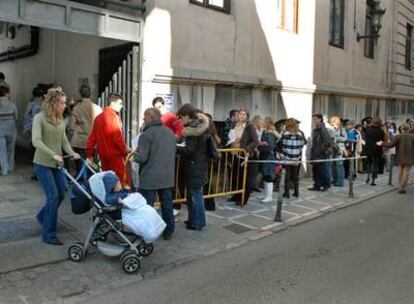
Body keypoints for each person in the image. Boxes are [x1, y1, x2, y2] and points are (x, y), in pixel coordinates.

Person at [32, 87, 81, 245]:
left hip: (57, 164)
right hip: (42, 164)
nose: (66, 105)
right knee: (53, 196)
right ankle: (48, 234)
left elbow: (64, 141)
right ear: (54, 103)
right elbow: (36, 141)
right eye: (63, 103)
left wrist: (71, 152)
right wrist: (52, 154)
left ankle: (43, 216)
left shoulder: (60, 120)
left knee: (61, 194)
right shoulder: (39, 118)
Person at [134, 107, 176, 240]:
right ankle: (169, 230)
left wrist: (135, 153)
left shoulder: (146, 134)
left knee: (147, 208)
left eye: (145, 117)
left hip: (150, 177)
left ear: (152, 118)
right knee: (167, 205)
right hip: (167, 176)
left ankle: (148, 232)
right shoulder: (169, 132)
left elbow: (142, 158)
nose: (143, 119)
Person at [176, 103, 210, 230]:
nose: (180, 120)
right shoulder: (199, 126)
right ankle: (193, 220)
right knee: (194, 195)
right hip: (199, 165)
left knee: (195, 195)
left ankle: (197, 223)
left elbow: (190, 150)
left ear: (187, 116)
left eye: (181, 117)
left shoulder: (193, 130)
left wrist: (176, 147)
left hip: (194, 166)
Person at [86, 93, 128, 185]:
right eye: (120, 103)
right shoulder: (114, 117)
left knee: (108, 182)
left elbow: (92, 138)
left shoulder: (98, 118)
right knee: (120, 182)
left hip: (103, 156)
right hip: (115, 156)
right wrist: (125, 152)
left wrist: (89, 154)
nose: (121, 106)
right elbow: (118, 138)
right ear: (112, 103)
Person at [69, 84, 102, 173]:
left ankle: (81, 182)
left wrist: (71, 138)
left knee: (79, 165)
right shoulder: (98, 108)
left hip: (79, 140)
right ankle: (91, 182)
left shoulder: (76, 108)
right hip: (93, 141)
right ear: (90, 93)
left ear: (80, 93)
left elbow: (72, 126)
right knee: (92, 165)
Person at [229, 109, 259, 205]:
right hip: (235, 154)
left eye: (243, 114)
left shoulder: (250, 127)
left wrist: (246, 149)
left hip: (245, 156)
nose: (241, 116)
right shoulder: (234, 125)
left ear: (247, 116)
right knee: (235, 176)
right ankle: (235, 195)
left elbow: (255, 141)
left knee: (244, 178)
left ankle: (243, 198)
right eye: (240, 114)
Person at [378, 124, 414, 194]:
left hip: (400, 156)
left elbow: (390, 145)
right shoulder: (412, 137)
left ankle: (400, 185)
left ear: (401, 129)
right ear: (408, 129)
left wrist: (382, 143)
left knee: (400, 171)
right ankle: (402, 187)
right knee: (406, 172)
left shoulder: (398, 136)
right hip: (410, 156)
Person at [278, 118, 307, 198]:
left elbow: (280, 144)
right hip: (296, 157)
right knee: (295, 175)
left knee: (287, 175)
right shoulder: (300, 134)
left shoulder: (284, 133)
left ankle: (287, 193)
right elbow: (303, 143)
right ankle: (296, 192)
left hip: (286, 157)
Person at [309, 114, 333, 191]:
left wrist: (320, 149)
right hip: (316, 153)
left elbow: (328, 142)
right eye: (313, 119)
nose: (314, 120)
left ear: (320, 119)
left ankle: (326, 185)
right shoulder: (316, 129)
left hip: (321, 154)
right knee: (316, 170)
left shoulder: (323, 129)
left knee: (322, 170)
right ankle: (317, 185)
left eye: (315, 119)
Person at [257, 117, 279, 203]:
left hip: (268, 156)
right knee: (265, 175)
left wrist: (260, 146)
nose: (262, 122)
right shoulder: (265, 132)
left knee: (268, 176)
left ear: (267, 123)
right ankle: (266, 194)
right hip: (264, 156)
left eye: (264, 121)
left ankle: (269, 196)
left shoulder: (270, 133)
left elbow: (271, 146)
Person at [0, 86, 18, 176]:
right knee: (11, 149)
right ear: (6, 93)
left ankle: (4, 170)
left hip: (0, 131)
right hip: (11, 129)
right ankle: (11, 167)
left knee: (2, 151)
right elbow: (16, 117)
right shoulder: (12, 104)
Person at [364, 117, 385, 186]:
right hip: (376, 149)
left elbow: (366, 138)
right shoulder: (381, 131)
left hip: (368, 149)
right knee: (375, 165)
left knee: (369, 164)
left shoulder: (368, 129)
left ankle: (367, 177)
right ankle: (373, 180)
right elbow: (381, 140)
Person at [329, 116, 347, 187]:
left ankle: (340, 181)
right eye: (332, 124)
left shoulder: (342, 130)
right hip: (332, 148)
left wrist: (336, 138)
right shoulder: (331, 130)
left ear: (338, 123)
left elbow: (345, 138)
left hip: (339, 149)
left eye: (334, 124)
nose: (333, 126)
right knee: (332, 165)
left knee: (339, 165)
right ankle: (334, 179)